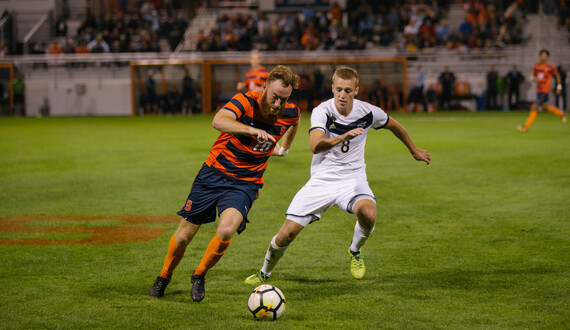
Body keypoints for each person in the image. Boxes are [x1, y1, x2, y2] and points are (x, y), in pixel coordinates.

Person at [244, 66, 430, 285]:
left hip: (353, 179)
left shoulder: (368, 112)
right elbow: (315, 146)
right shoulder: (322, 111)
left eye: (348, 91)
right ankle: (264, 272)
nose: (343, 95)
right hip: (322, 180)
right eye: (339, 89)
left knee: (369, 213)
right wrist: (343, 136)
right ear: (332, 88)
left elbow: (393, 125)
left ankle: (355, 251)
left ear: (356, 90)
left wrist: (413, 149)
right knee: (286, 234)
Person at [149, 65, 301, 302]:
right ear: (264, 87)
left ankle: (199, 275)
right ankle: (164, 276)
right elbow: (219, 120)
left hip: (246, 182)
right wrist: (251, 130)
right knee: (182, 237)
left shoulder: (289, 111)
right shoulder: (245, 101)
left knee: (227, 229)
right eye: (275, 98)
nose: (278, 104)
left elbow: (295, 120)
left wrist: (284, 148)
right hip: (214, 174)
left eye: (284, 99)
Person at [518, 49, 566, 132]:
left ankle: (526, 127)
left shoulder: (550, 67)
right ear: (540, 56)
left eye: (545, 55)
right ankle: (561, 114)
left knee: (534, 107)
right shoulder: (537, 66)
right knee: (545, 107)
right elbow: (532, 76)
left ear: (547, 57)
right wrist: (534, 79)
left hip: (544, 90)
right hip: (539, 90)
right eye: (542, 55)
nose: (543, 56)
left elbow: (557, 76)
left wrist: (559, 87)